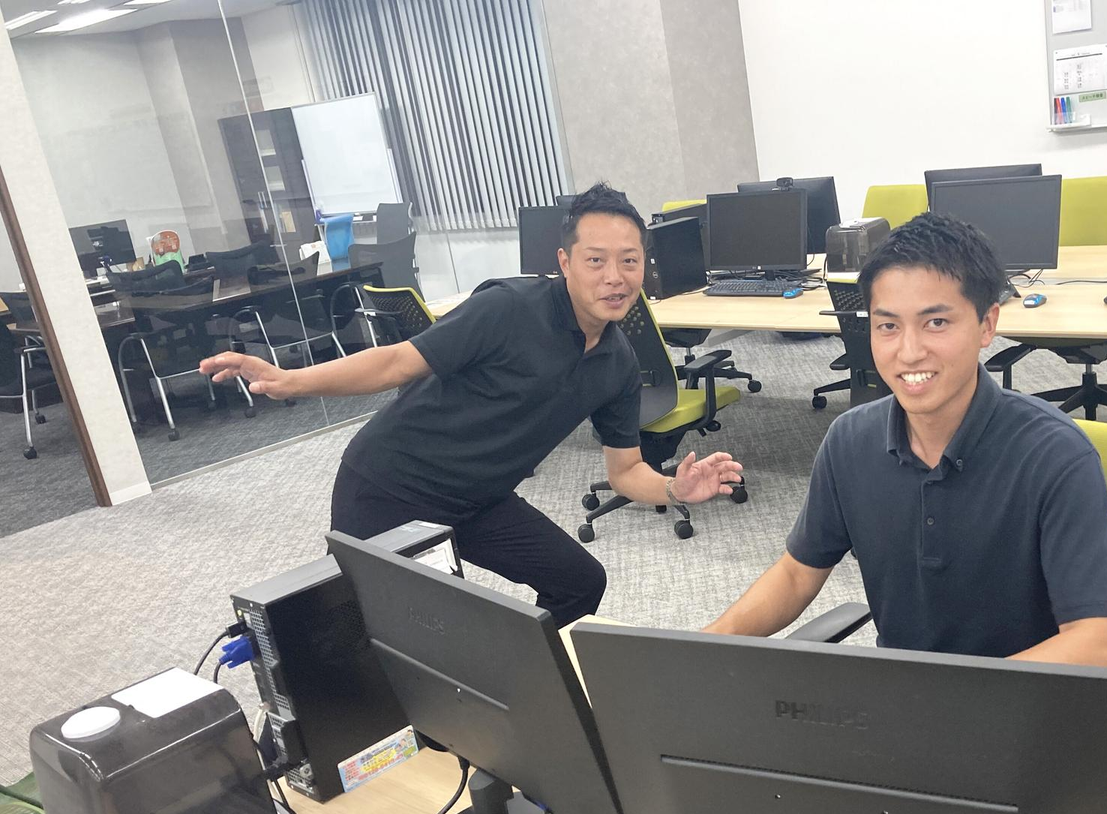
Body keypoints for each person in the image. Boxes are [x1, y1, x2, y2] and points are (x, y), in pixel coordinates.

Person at [200, 184, 742, 627]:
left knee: (579, 583)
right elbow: (394, 363)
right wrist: (290, 380)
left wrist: (673, 489)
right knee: (394, 632)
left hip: (479, 500)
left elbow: (625, 471)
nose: (614, 277)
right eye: (595, 260)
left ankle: (518, 684)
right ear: (565, 262)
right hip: (390, 488)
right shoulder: (507, 309)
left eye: (629, 261)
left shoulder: (618, 362)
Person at [706, 213, 1107, 666]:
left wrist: (956, 697)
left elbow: (1099, 643)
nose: (908, 352)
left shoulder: (1056, 455)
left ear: (987, 324)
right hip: (899, 696)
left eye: (936, 323)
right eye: (888, 326)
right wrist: (705, 643)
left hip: (1022, 698)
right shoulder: (849, 441)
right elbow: (796, 575)